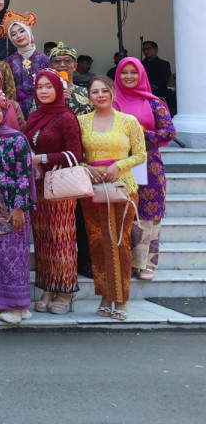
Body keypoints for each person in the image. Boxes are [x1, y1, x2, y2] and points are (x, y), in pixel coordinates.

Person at [80, 75, 146, 321]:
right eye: (95, 92)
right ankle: (105, 295)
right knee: (97, 242)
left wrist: (119, 165)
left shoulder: (129, 121)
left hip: (123, 188)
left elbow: (140, 155)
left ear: (113, 94)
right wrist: (87, 166)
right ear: (89, 96)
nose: (100, 95)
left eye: (104, 91)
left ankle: (122, 298)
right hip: (93, 190)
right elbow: (76, 154)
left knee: (120, 242)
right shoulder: (82, 121)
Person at [23, 69, 83, 315]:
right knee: (44, 239)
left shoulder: (66, 117)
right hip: (38, 186)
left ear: (58, 89)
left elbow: (76, 155)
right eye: (40, 87)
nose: (44, 91)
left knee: (62, 240)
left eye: (49, 87)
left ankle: (65, 291)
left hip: (60, 187)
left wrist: (43, 158)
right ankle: (48, 286)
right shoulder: (35, 115)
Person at [0, 90, 36, 325]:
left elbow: (24, 174)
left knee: (14, 256)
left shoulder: (17, 139)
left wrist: (19, 207)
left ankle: (18, 306)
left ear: (5, 113)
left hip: (12, 208)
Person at [114, 57, 176, 281]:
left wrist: (140, 133)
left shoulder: (154, 103)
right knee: (124, 211)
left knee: (150, 212)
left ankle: (147, 262)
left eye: (133, 72)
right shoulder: (112, 103)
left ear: (141, 75)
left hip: (148, 164)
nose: (129, 76)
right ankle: (127, 261)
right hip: (119, 164)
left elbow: (169, 132)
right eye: (124, 72)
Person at [4, 12, 48, 110]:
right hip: (17, 111)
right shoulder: (8, 62)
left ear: (28, 32)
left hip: (42, 107)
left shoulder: (45, 59)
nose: (19, 36)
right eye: (13, 34)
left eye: (22, 31)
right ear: (11, 39)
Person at [47, 43, 93, 115]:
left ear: (75, 66)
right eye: (57, 61)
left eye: (67, 61)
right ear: (50, 66)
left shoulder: (86, 93)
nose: (62, 65)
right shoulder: (43, 93)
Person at [141, 41, 175, 111]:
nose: (146, 51)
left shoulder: (164, 64)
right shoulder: (141, 64)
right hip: (143, 92)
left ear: (156, 50)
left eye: (148, 49)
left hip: (158, 93)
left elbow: (164, 80)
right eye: (144, 49)